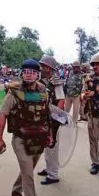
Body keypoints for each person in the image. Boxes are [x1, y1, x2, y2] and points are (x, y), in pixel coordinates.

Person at [0, 59, 53, 196]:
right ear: (22, 73)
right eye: (26, 71)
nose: (29, 74)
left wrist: (50, 135)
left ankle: (16, 190)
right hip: (20, 139)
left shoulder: (43, 91)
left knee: (28, 170)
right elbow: (3, 114)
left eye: (32, 72)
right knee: (28, 173)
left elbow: (47, 116)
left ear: (38, 75)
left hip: (38, 138)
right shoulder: (14, 92)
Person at [37, 54, 65, 185]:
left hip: (52, 117)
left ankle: (53, 175)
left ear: (49, 68)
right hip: (43, 116)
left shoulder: (56, 82)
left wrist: (55, 118)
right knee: (46, 145)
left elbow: (61, 101)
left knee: (52, 146)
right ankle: (49, 169)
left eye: (43, 66)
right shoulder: (42, 80)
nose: (41, 67)